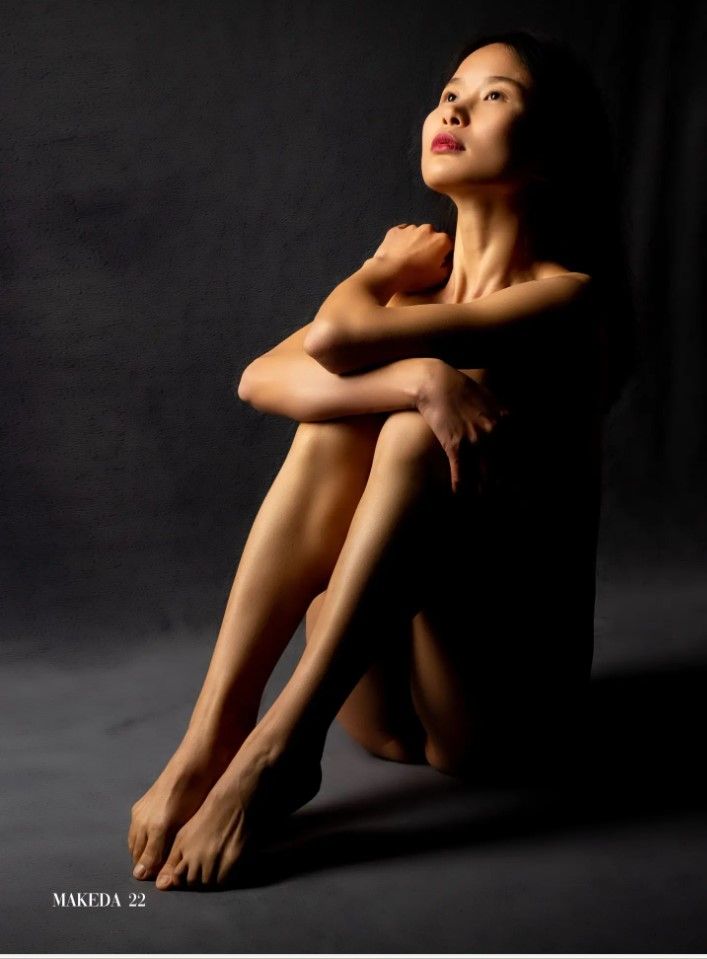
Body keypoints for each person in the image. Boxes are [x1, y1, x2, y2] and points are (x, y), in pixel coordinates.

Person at [128, 29, 636, 891]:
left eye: (494, 95)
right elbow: (261, 378)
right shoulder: (416, 292)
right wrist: (417, 375)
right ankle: (212, 734)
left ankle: (279, 749)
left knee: (403, 427)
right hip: (379, 697)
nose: (454, 108)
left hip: (502, 707)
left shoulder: (566, 298)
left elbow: (334, 338)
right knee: (343, 419)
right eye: (449, 92)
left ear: (552, 147)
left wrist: (376, 285)